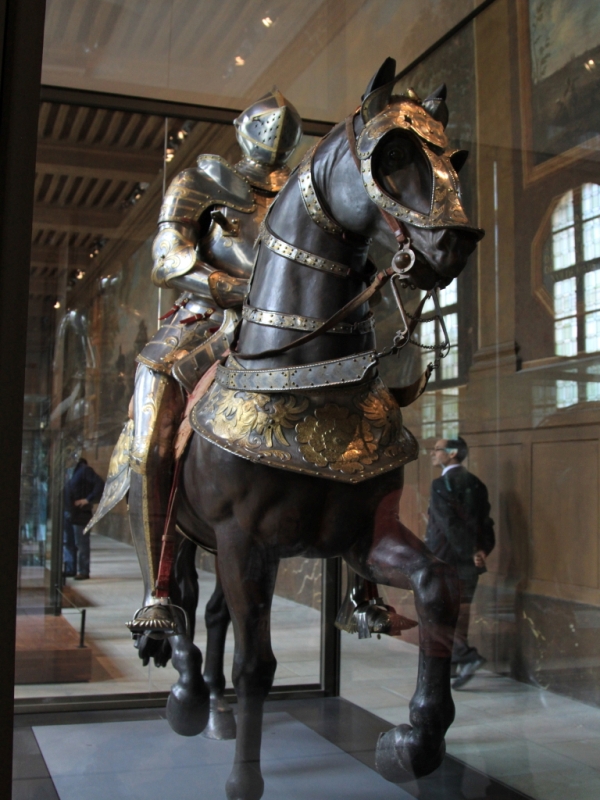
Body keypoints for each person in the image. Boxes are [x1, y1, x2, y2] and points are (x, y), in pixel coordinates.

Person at [88, 90, 304, 632]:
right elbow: (168, 259)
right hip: (205, 322)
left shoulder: (304, 189)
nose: (277, 129)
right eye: (265, 123)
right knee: (153, 416)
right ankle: (156, 589)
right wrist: (233, 289)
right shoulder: (200, 183)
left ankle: (362, 582)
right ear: (241, 127)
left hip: (295, 325)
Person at [426, 436, 495, 689]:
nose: (432, 453)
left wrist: (469, 552)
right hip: (470, 561)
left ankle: (466, 657)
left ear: (452, 453)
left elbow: (449, 524)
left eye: (437, 449)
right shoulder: (476, 483)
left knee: (440, 614)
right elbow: (485, 523)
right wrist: (481, 550)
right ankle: (454, 665)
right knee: (459, 614)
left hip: (447, 560)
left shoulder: (441, 484)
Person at [64, 457, 105, 580]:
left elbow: (100, 484)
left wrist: (88, 499)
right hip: (69, 512)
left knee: (81, 543)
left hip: (81, 513)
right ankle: (70, 569)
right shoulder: (68, 471)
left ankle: (83, 571)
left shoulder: (84, 470)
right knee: (69, 542)